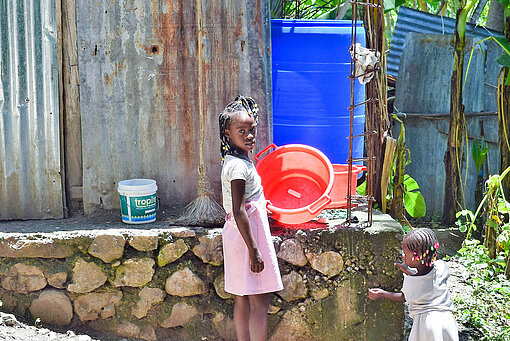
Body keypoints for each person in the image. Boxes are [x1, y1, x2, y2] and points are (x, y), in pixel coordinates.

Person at [219, 95, 283, 341]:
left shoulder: (235, 161)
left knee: (242, 296)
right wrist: (255, 251)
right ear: (228, 133)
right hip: (247, 238)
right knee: (259, 299)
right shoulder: (238, 167)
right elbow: (239, 210)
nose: (249, 136)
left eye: (252, 130)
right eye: (241, 131)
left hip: (238, 236)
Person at [368, 228, 459, 341]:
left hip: (428, 325)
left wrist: (383, 294)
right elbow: (426, 280)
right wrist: (408, 270)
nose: (403, 256)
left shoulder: (412, 281)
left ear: (417, 257)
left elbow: (403, 297)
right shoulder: (441, 267)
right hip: (447, 321)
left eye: (405, 254)